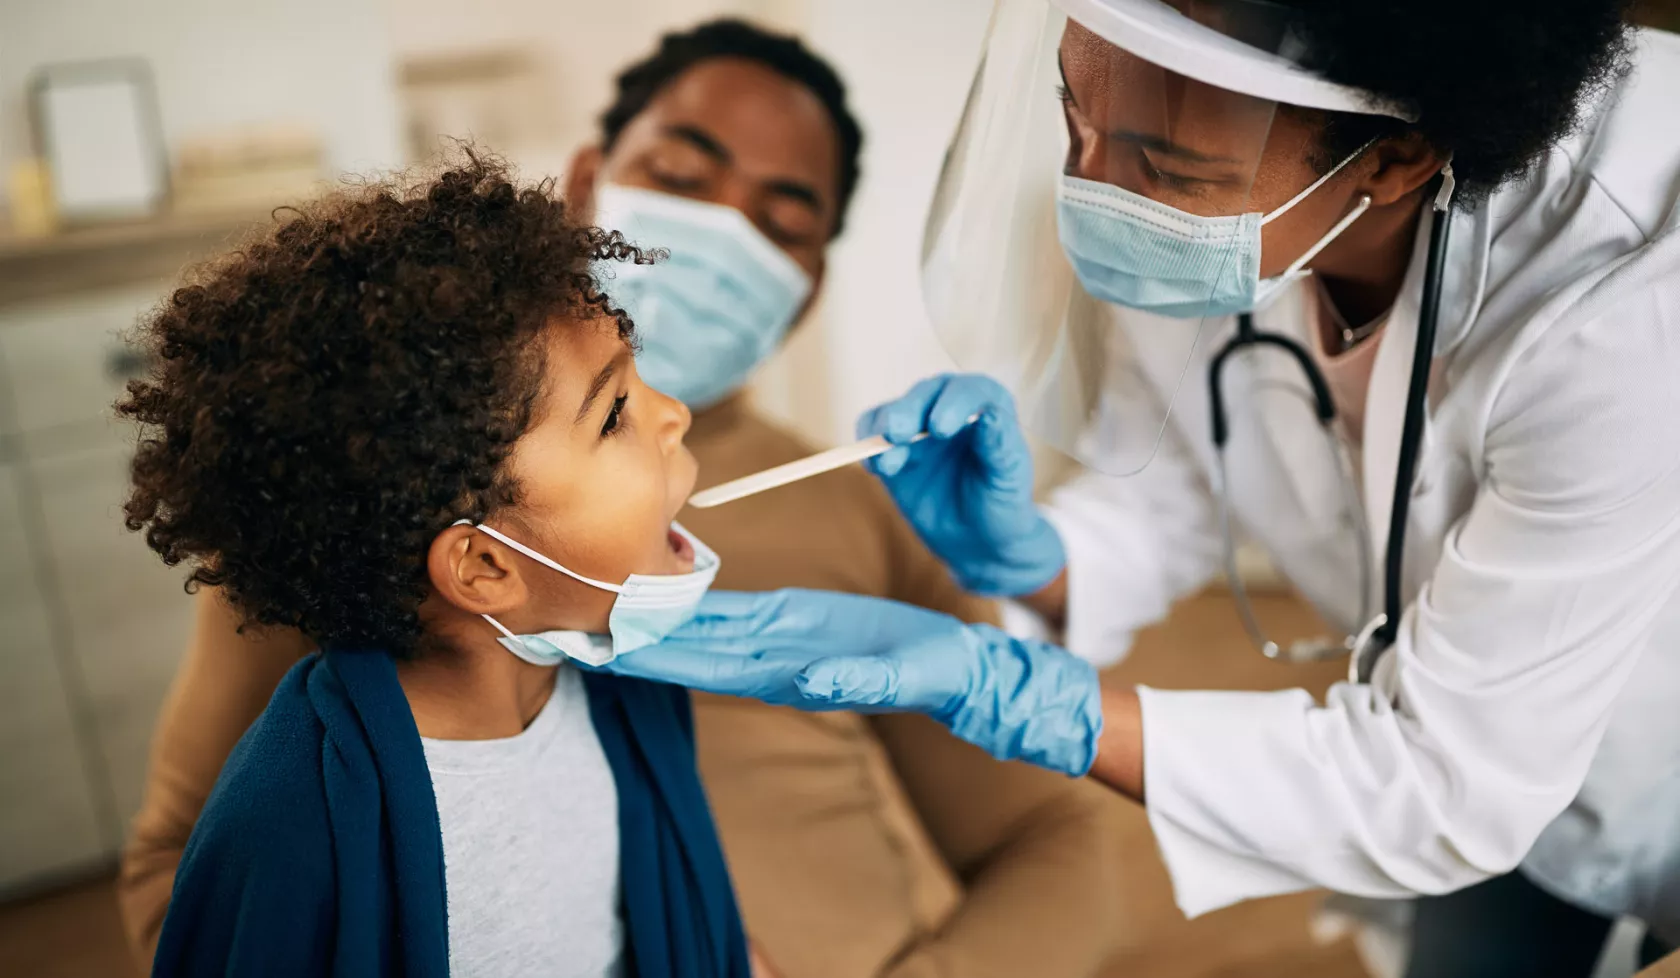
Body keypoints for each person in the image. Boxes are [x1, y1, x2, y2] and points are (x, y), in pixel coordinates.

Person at [594, 1, 1680, 975]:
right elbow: (1170, 492)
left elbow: (1443, 784)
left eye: (1167, 173)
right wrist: (1035, 560)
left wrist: (1014, 695)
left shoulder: (1623, 314)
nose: (1098, 194)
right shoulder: (1208, 198)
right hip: (1486, 806)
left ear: (1394, 161)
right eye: (1078, 124)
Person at [117, 20, 1130, 978]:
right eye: (683, 177)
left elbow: (1050, 834)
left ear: (812, 281)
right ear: (590, 181)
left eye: (781, 222)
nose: (722, 235)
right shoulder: (352, 507)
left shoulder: (872, 502)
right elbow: (191, 870)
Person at [118, 152, 754, 976]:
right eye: (615, 414)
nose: (675, 415)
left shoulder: (630, 696)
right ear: (486, 567)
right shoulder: (284, 830)